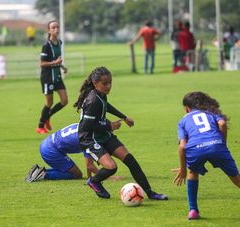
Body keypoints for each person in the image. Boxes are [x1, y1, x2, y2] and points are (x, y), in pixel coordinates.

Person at [173, 91, 240, 221]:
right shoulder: (211, 112)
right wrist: (222, 144)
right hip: (217, 145)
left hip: (196, 149)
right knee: (238, 178)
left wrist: (183, 169)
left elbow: (182, 146)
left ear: (187, 108)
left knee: (192, 172)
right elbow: (222, 124)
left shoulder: (183, 121)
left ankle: (193, 210)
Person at [74, 66, 167, 200]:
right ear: (95, 83)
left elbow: (106, 106)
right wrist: (109, 125)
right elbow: (87, 127)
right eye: (105, 83)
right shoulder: (92, 100)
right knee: (112, 168)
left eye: (110, 82)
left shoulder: (101, 95)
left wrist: (124, 117)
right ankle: (94, 181)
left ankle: (150, 193)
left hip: (103, 135)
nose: (108, 86)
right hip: (90, 139)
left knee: (131, 160)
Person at [25, 123, 99, 182]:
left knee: (71, 172)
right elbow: (89, 165)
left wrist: (89, 177)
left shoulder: (82, 125)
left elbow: (89, 163)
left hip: (48, 144)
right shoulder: (86, 138)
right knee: (77, 175)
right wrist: (106, 176)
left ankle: (38, 172)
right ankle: (44, 175)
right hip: (50, 150)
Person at [36, 20, 68, 134]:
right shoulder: (46, 46)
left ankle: (47, 116)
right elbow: (42, 63)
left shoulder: (59, 42)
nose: (56, 29)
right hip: (48, 78)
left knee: (64, 101)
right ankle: (40, 126)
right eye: (53, 28)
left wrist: (62, 67)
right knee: (49, 103)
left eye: (57, 27)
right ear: (49, 30)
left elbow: (57, 60)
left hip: (57, 76)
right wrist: (56, 62)